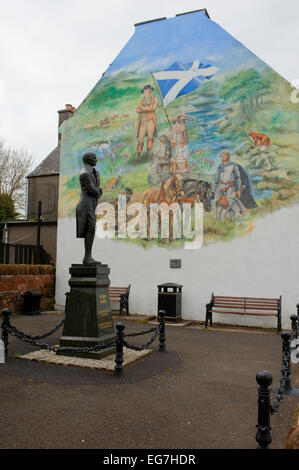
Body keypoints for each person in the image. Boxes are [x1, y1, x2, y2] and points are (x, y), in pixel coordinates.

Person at [213, 151, 257, 222]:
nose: (222, 157)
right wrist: (213, 190)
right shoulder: (219, 166)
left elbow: (238, 178)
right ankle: (217, 223)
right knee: (219, 206)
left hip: (230, 189)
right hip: (220, 189)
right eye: (221, 155)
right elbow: (216, 180)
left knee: (231, 208)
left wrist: (238, 190)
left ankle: (232, 223)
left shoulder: (234, 166)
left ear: (228, 156)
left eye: (224, 155)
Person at [76, 152, 102, 264]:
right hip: (86, 204)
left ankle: (88, 256)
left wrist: (98, 192)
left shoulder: (95, 172)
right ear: (87, 159)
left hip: (92, 203)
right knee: (90, 227)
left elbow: (96, 190)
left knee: (92, 228)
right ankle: (87, 257)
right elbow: (94, 190)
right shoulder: (84, 173)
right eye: (94, 158)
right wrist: (98, 192)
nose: (96, 160)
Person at [136, 84, 158, 159]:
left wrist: (143, 108)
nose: (145, 93)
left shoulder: (154, 99)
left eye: (147, 91)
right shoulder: (142, 101)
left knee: (150, 137)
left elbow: (153, 108)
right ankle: (138, 156)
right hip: (143, 120)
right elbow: (137, 110)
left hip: (151, 120)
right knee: (140, 138)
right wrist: (146, 108)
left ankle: (148, 154)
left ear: (150, 91)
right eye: (144, 91)